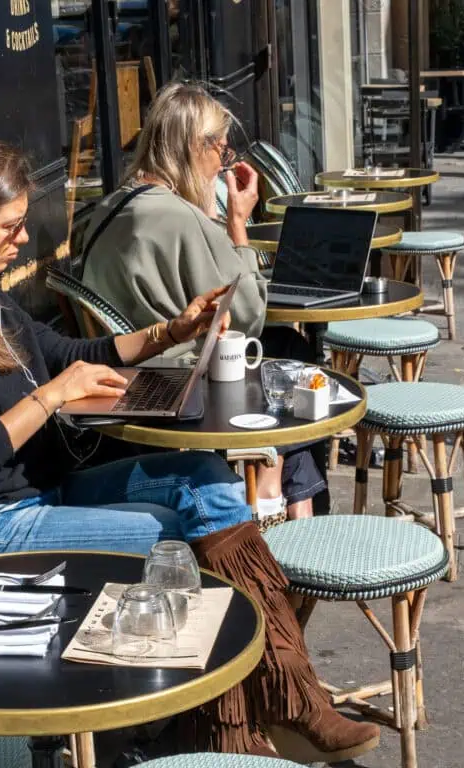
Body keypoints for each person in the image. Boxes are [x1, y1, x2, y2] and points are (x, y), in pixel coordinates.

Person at [0, 138, 379, 763]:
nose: (23, 240)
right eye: (10, 226)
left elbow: (64, 354)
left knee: (207, 476)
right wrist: (52, 398)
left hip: (46, 491)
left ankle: (278, 699)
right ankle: (249, 719)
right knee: (182, 538)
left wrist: (170, 332)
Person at [82, 81, 327, 525]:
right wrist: (237, 225)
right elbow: (248, 314)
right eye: (222, 151)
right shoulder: (179, 218)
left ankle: (286, 493)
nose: (225, 161)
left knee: (287, 357)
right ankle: (288, 511)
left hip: (127, 372)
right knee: (290, 358)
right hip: (179, 382)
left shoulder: (111, 205)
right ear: (196, 148)